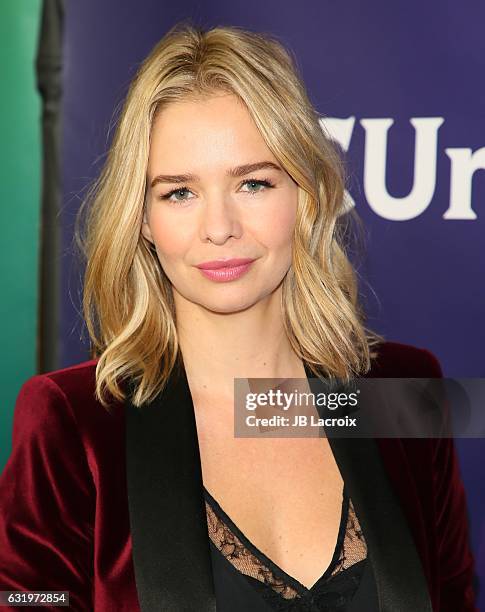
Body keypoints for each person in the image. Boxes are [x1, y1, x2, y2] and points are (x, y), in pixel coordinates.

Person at [0, 23, 477, 612]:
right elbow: (27, 599)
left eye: (253, 183)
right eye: (179, 192)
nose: (220, 226)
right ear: (142, 217)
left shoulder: (398, 392)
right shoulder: (77, 423)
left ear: (306, 195)